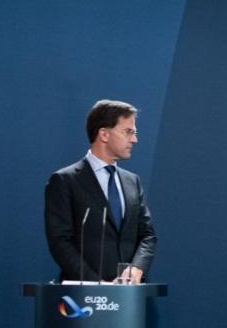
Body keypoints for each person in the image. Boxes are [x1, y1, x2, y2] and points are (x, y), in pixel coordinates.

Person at [45, 99, 156, 283]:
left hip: (129, 298)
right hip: (84, 297)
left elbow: (147, 234)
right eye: (128, 132)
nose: (135, 140)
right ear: (104, 134)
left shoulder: (132, 181)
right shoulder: (65, 181)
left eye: (134, 133)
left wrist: (136, 269)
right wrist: (97, 285)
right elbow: (60, 242)